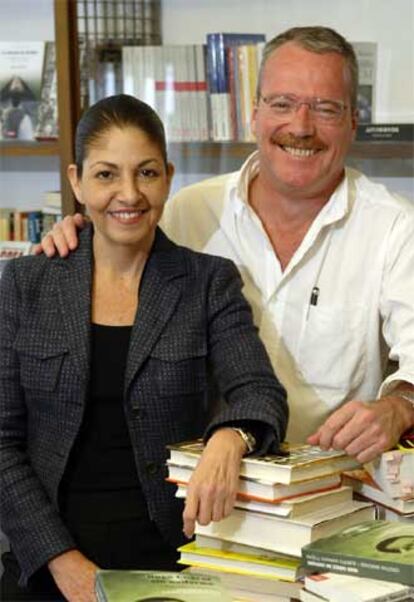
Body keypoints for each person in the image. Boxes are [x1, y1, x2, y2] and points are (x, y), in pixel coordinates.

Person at [40, 26, 414, 465]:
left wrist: (399, 406)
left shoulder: (395, 227)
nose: (300, 126)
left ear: (354, 121)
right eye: (282, 104)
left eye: (326, 109)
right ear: (254, 114)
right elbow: (113, 255)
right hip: (198, 486)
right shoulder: (188, 212)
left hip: (331, 488)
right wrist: (76, 240)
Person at [0, 94, 288, 602]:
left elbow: (258, 391)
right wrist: (64, 565)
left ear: (169, 177)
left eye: (147, 173)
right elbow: (1, 440)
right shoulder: (27, 283)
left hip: (173, 562)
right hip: (47, 564)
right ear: (76, 181)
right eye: (107, 174)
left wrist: (230, 438)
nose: (128, 194)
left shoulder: (207, 282)